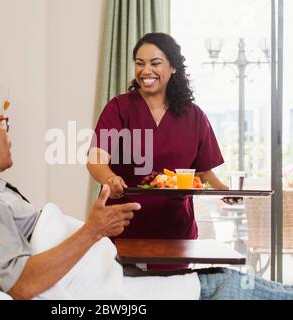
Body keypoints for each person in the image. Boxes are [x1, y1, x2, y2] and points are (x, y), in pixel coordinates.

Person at [0, 99, 293, 300]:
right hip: (110, 288)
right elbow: (22, 284)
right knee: (227, 284)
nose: (9, 135)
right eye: (4, 124)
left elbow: (206, 170)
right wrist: (93, 230)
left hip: (116, 272)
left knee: (222, 277)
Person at [87, 33, 228, 269]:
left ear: (173, 67)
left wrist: (224, 190)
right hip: (124, 227)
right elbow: (95, 160)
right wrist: (110, 179)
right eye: (139, 63)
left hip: (174, 232)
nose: (145, 71)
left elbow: (204, 173)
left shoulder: (194, 116)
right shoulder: (119, 108)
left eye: (155, 63)